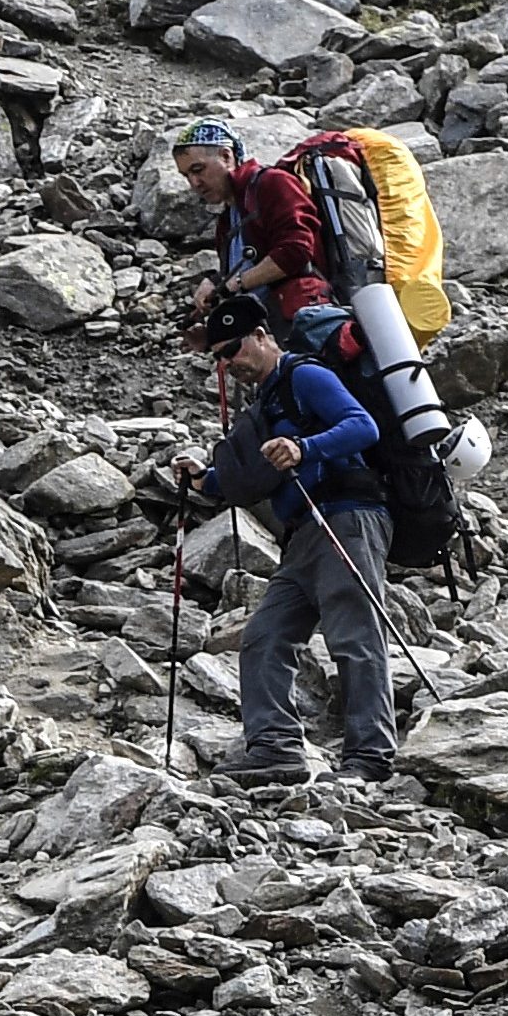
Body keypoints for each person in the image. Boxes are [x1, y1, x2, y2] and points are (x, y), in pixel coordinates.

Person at [171, 299, 396, 787]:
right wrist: (206, 480)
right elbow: (257, 475)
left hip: (346, 517)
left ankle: (371, 755)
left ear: (260, 335)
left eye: (233, 350)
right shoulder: (268, 401)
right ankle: (274, 749)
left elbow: (363, 426)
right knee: (265, 636)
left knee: (353, 634)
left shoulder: (304, 377)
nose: (229, 364)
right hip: (302, 535)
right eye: (221, 359)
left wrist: (305, 447)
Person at [172, 118, 335, 336]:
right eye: (187, 176)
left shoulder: (272, 183)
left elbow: (296, 250)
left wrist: (235, 283)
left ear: (226, 156)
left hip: (305, 324)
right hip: (271, 333)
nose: (194, 183)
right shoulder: (228, 219)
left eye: (199, 169)